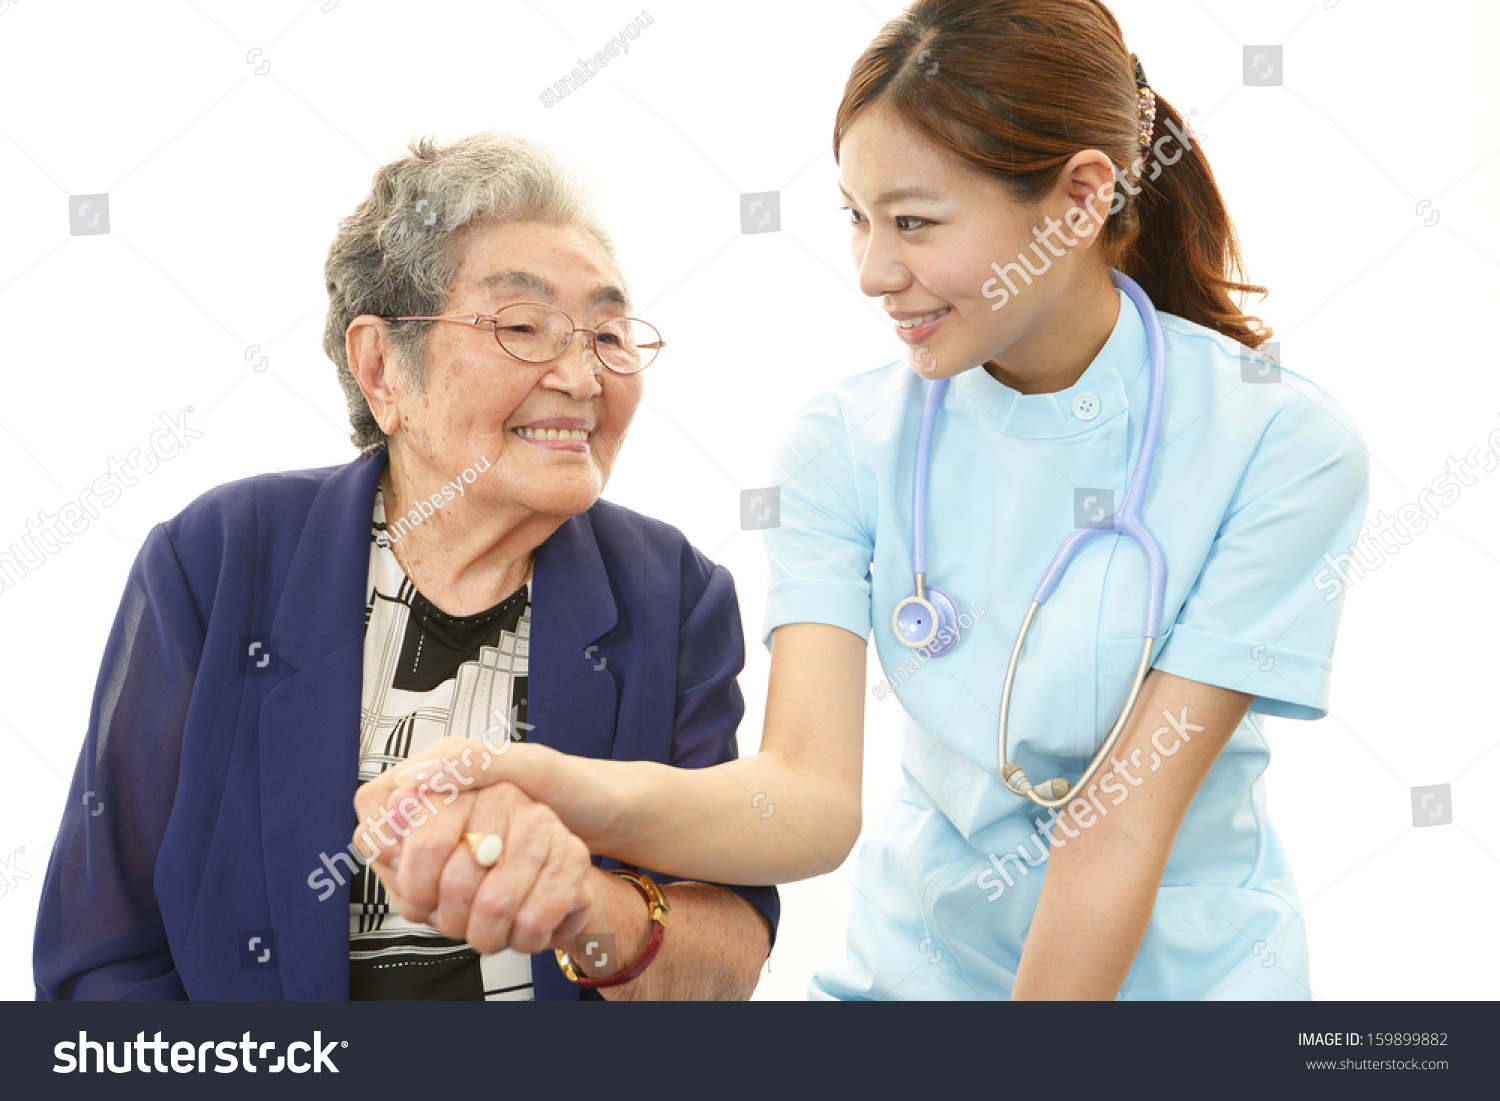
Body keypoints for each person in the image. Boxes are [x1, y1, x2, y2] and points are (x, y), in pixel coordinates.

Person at [355, 0, 1369, 1000]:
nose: (874, 271)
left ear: (1080, 198)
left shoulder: (1279, 444)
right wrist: (557, 784)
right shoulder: (845, 440)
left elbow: (1120, 821)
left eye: (914, 222)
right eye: (857, 216)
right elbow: (808, 798)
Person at [32, 132, 778, 1001]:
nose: (582, 376)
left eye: (607, 334)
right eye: (523, 327)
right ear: (382, 367)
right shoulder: (219, 557)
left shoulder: (674, 593)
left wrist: (587, 904)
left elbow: (730, 957)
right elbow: (100, 955)